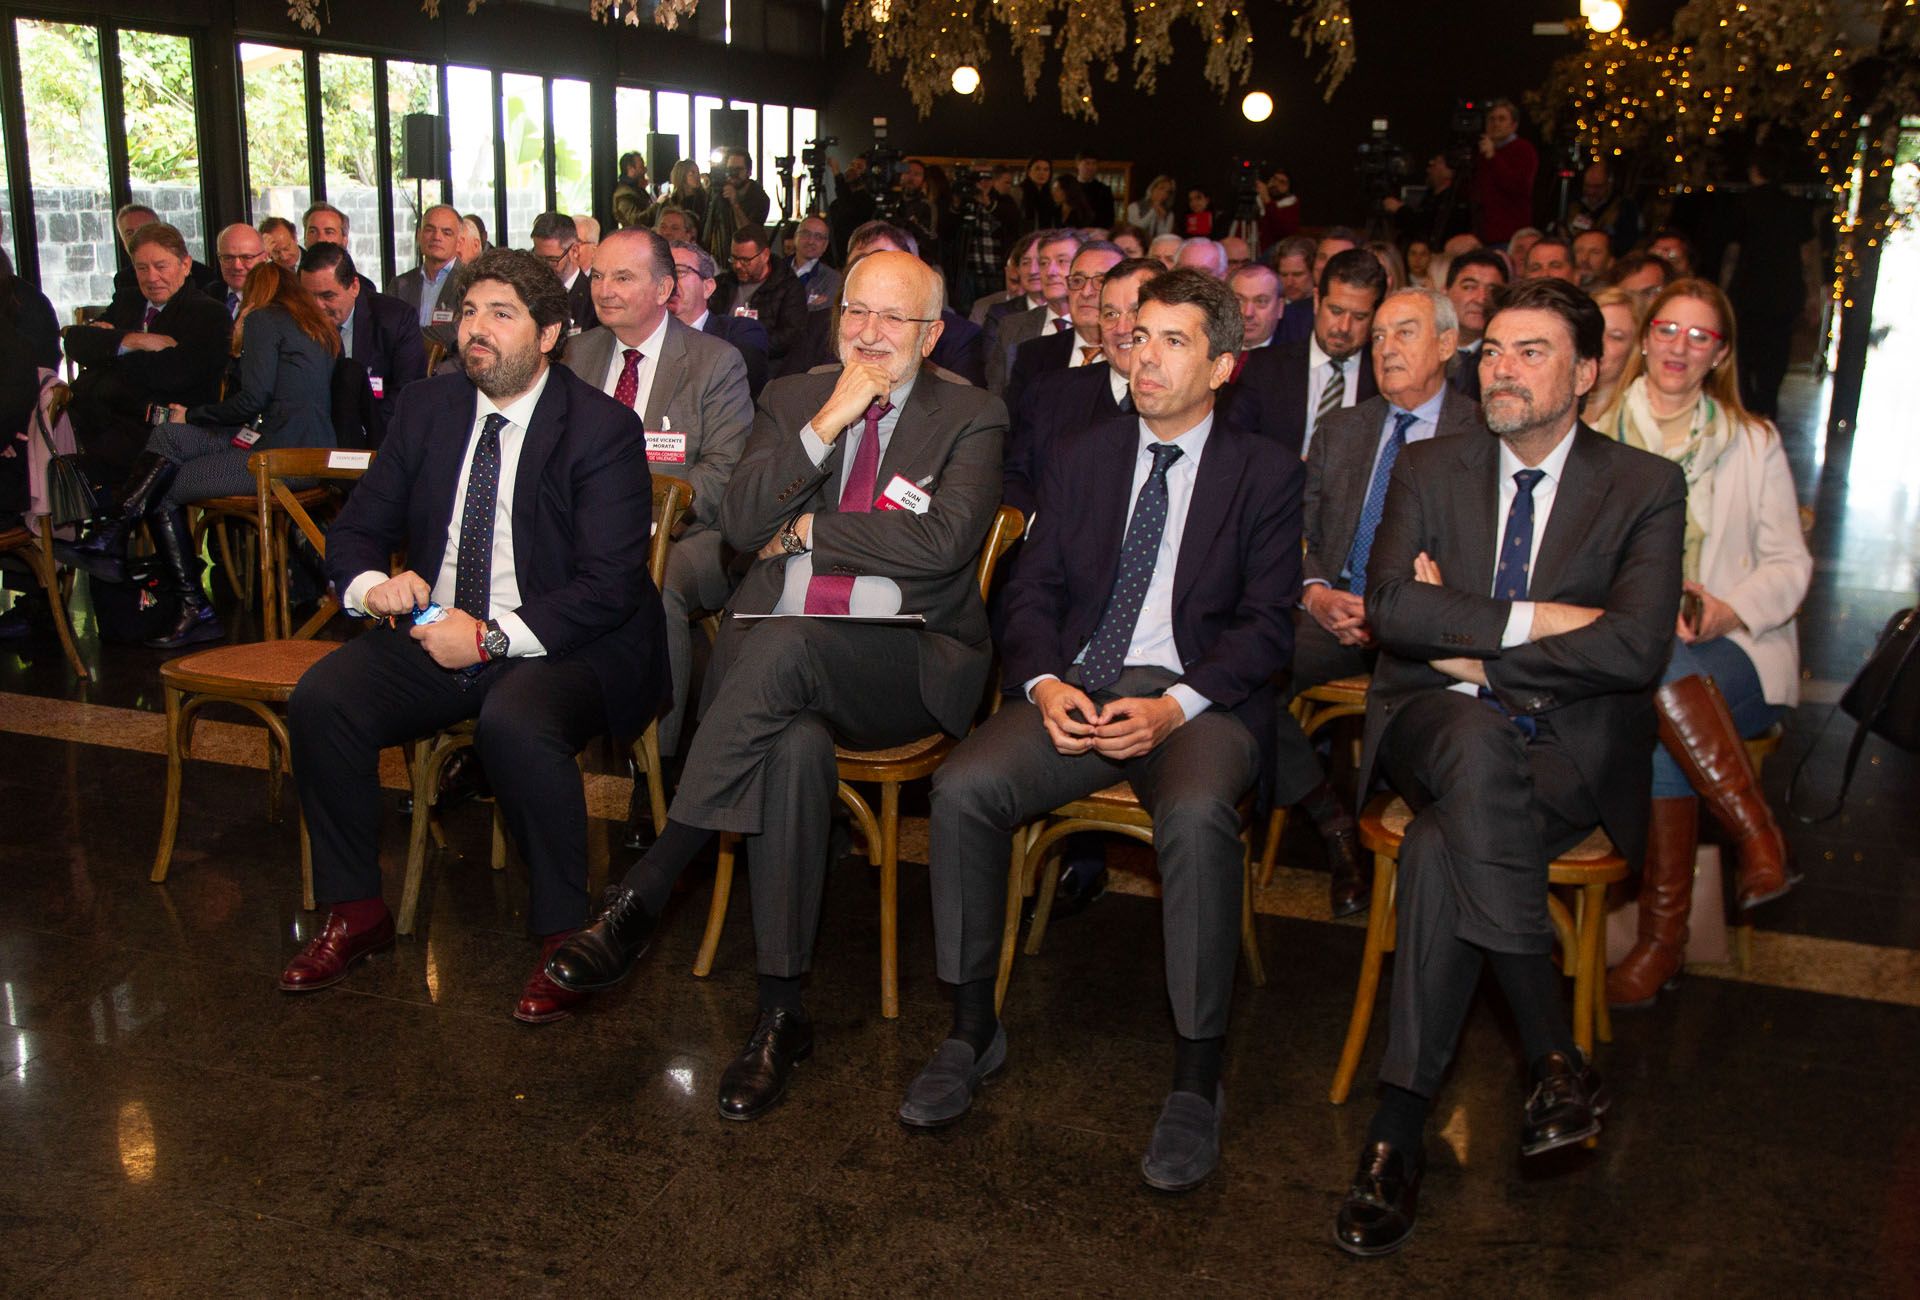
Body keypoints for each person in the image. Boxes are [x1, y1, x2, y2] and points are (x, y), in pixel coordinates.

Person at [542, 250, 1004, 1121]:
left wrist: (813, 533)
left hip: (902, 663)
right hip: (779, 662)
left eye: (892, 320)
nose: (868, 334)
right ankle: (780, 1016)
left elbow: (943, 547)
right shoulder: (795, 398)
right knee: (789, 741)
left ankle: (650, 884)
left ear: (933, 334)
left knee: (784, 647)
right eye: (855, 314)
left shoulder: (970, 414)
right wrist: (828, 423)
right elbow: (744, 525)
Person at [902, 267, 1300, 1192]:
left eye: (1173, 341)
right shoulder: (1085, 454)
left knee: (1199, 816)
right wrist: (1041, 683)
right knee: (962, 788)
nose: (1144, 354)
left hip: (1197, 698)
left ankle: (1198, 1078)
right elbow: (1031, 589)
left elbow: (1268, 628)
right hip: (1077, 683)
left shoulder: (1267, 473)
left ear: (1225, 366)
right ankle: (971, 1029)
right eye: (1139, 334)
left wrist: (1176, 705)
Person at [1333, 277, 1686, 1257]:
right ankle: (1554, 1050)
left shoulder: (1643, 486)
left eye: (1532, 351)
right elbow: (1393, 609)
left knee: (1449, 842)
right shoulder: (1432, 465)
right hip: (1430, 724)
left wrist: (1471, 638)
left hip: (1567, 753)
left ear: (1586, 369)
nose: (1503, 367)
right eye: (1493, 350)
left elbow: (1637, 650)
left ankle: (1394, 1131)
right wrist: (1541, 623)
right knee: (1473, 741)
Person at [280, 248, 667, 1024]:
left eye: (502, 314)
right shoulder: (429, 409)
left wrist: (490, 639)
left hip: (571, 641)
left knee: (515, 720)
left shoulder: (601, 428)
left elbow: (609, 585)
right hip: (439, 631)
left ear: (551, 333)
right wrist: (371, 587)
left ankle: (567, 932)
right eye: (468, 312)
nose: (476, 331)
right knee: (326, 695)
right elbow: (355, 532)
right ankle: (356, 908)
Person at [1592, 278, 1810, 1010]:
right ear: (1645, 337)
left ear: (1719, 353)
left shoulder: (1751, 441)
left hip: (1736, 650)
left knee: (1658, 690)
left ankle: (1661, 943)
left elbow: (1790, 564)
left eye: (1700, 336)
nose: (1680, 348)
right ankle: (1755, 837)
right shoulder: (1595, 432)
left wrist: (1727, 609)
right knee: (1651, 663)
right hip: (1626, 644)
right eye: (1668, 331)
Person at [1272, 286, 1482, 917]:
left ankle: (1413, 858)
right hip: (1334, 612)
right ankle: (1333, 824)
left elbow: (1487, 557)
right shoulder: (1343, 428)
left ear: (1447, 344)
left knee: (1433, 716)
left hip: (1427, 627)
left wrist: (1405, 610)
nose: (1386, 348)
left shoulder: (1481, 432)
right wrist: (1314, 593)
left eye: (1405, 333)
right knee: (1238, 670)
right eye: (1380, 335)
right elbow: (1291, 528)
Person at [560, 227, 752, 782]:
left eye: (623, 277)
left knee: (655, 582)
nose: (604, 290)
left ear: (666, 287)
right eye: (598, 276)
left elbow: (723, 473)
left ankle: (654, 764)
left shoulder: (716, 362)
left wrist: (648, 526)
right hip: (588, 532)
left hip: (689, 536)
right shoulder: (577, 354)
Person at [71, 261, 338, 649]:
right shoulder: (315, 324)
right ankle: (112, 533)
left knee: (167, 482)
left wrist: (193, 413)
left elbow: (252, 399)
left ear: (257, 293)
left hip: (281, 458)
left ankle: (194, 607)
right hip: (299, 449)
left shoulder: (265, 318)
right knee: (170, 437)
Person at [62, 221, 231, 479]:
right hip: (106, 417)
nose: (152, 278)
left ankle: (117, 515)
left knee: (76, 455)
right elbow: (74, 341)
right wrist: (136, 341)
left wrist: (110, 350)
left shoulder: (208, 312)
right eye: (142, 268)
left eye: (160, 266)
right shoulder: (129, 301)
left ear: (185, 265)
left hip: (160, 423)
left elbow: (174, 374)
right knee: (49, 439)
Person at [1003, 256, 1159, 517]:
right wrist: (1042, 528)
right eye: (1110, 314)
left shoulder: (1191, 404)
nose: (1122, 328)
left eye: (1136, 312)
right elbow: (1016, 475)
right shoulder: (1050, 393)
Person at [779, 222, 987, 387]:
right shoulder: (817, 327)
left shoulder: (959, 338)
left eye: (894, 318)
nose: (870, 335)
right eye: (860, 262)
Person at [1225, 247, 1385, 456]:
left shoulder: (1383, 377)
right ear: (1317, 300)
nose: (1344, 327)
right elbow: (1233, 443)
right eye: (1335, 311)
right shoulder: (1264, 369)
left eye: (1359, 317)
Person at [299, 242, 427, 450]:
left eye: (327, 296)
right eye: (308, 297)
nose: (316, 306)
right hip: (316, 438)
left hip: (378, 437)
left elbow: (408, 392)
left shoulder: (394, 319)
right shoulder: (294, 321)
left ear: (354, 287)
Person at [1723, 148, 1818, 419]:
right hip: (1783, 296)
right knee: (1773, 365)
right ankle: (1765, 414)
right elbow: (1808, 257)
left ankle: (1748, 413)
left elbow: (1733, 252)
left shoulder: (1744, 204)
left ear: (1755, 171)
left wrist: (1724, 290)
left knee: (1741, 360)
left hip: (1747, 294)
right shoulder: (1796, 207)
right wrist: (1812, 295)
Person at [1005, 241, 1123, 419]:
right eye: (1077, 281)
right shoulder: (1033, 355)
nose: (1086, 292)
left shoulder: (1132, 356)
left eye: (1101, 281)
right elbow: (1014, 433)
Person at [668, 238, 771, 400]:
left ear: (707, 287)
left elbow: (743, 390)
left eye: (680, 272)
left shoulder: (741, 333)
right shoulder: (640, 337)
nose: (669, 282)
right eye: (662, 274)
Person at [988, 229, 1084, 397]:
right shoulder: (1011, 327)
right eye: (1044, 263)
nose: (1050, 271)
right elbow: (996, 397)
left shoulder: (1099, 328)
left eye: (1062, 261)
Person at [711, 223, 807, 365]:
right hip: (718, 358)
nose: (737, 265)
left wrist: (745, 345)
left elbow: (789, 337)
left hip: (765, 364)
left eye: (745, 260)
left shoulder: (789, 287)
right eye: (734, 258)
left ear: (765, 255)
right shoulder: (723, 284)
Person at [107, 202, 221, 316]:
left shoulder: (204, 280)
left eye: (161, 266)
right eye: (130, 233)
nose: (152, 278)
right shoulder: (124, 288)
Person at [385, 204, 465, 349]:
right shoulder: (400, 285)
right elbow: (386, 330)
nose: (436, 237)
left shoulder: (470, 282)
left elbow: (458, 331)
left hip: (448, 368)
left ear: (459, 243)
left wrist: (408, 338)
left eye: (446, 232)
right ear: (418, 236)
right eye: (429, 230)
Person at [1442, 248, 1508, 403]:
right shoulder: (1424, 351)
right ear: (1445, 292)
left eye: (1492, 290)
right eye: (1470, 287)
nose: (1481, 299)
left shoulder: (1509, 361)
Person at [1470, 99, 1538, 247]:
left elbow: (1518, 186)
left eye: (1502, 119)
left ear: (1514, 125)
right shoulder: (1481, 152)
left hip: (1509, 236)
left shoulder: (1523, 149)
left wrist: (1493, 157)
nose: (1495, 124)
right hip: (1482, 235)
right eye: (1492, 119)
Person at [1384, 153, 1474, 249]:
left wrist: (1400, 210)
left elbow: (1424, 226)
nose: (1428, 170)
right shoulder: (1430, 196)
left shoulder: (1453, 202)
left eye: (1434, 165)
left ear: (1449, 172)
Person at [530, 212, 596, 336]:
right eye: (538, 258)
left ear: (575, 251)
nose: (543, 266)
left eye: (552, 260)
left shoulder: (593, 298)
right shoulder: (529, 292)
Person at [1583, 285, 1640, 417]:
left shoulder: (1639, 416)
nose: (1600, 343)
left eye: (1616, 337)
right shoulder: (1555, 402)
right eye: (1594, 330)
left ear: (1634, 348)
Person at [1564, 159, 1641, 254]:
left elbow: (1628, 242)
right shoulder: (1573, 204)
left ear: (1609, 185)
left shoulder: (1624, 207)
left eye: (1597, 187)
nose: (1591, 192)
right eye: (1588, 186)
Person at [704, 149, 771, 255]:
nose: (733, 174)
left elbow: (750, 235)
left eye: (738, 170)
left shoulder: (759, 197)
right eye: (730, 169)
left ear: (749, 172)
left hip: (746, 256)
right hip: (720, 256)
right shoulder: (720, 191)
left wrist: (735, 204)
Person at [211, 223, 268, 320]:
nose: (237, 266)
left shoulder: (275, 301)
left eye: (247, 257)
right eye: (228, 258)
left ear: (265, 257)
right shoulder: (209, 295)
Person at [1228, 262, 1284, 357]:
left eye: (1261, 301)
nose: (1248, 313)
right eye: (1239, 301)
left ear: (1280, 308)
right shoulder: (1209, 353)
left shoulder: (1296, 360)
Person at [790, 214, 841, 311]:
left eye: (818, 237)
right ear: (795, 237)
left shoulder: (833, 279)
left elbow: (823, 317)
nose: (811, 241)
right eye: (806, 234)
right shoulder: (776, 269)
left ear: (825, 245)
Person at [1255, 167, 1303, 254]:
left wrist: (1268, 201)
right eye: (1274, 179)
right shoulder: (1255, 201)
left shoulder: (1291, 206)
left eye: (1282, 182)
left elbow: (1282, 231)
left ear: (1289, 189)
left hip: (1274, 254)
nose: (1276, 184)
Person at [1126, 175, 1177, 239]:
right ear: (1152, 189)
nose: (1164, 193)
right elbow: (1138, 228)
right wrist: (1153, 210)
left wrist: (1161, 219)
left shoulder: (1169, 214)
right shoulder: (1134, 206)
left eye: (1167, 192)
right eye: (1161, 188)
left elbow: (1163, 237)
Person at [1075, 156, 1117, 229]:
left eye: (1094, 164)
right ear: (1078, 164)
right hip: (1071, 235)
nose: (1090, 167)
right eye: (1087, 163)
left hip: (1097, 235)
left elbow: (1109, 219)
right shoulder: (1068, 187)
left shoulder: (1104, 190)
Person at [1018, 157, 1054, 232]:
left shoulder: (1051, 194)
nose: (1042, 173)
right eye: (1037, 169)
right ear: (1029, 172)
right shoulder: (1019, 192)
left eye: (1046, 170)